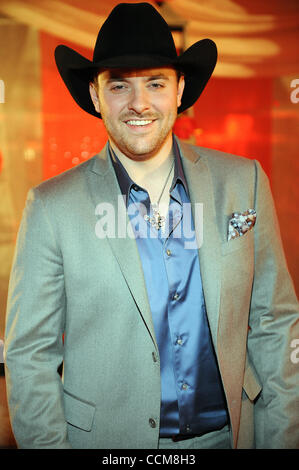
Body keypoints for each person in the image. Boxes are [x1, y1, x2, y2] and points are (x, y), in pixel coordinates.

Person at [4, 2, 299, 450]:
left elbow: (276, 325)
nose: (139, 103)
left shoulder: (245, 182)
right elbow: (29, 356)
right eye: (119, 85)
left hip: (233, 437)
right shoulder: (50, 206)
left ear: (180, 89)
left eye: (156, 83)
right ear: (95, 94)